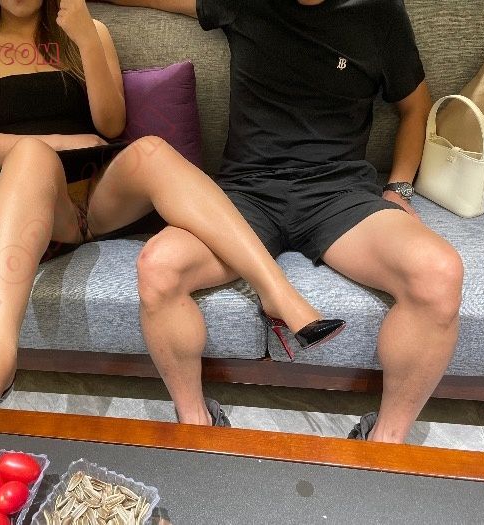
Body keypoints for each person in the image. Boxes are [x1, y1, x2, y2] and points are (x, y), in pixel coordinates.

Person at [0, 0, 346, 412]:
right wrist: (59, 143)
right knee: (29, 155)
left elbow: (111, 124)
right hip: (38, 208)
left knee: (151, 149)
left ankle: (276, 293)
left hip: (101, 195)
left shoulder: (89, 29)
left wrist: (85, 38)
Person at [105, 0, 464, 442]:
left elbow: (416, 107)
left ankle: (385, 443)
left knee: (439, 273)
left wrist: (399, 188)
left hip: (340, 195)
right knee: (158, 265)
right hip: (246, 195)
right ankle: (196, 424)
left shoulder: (378, 11)